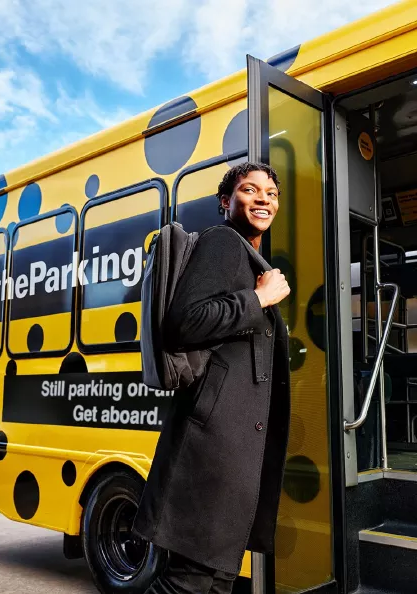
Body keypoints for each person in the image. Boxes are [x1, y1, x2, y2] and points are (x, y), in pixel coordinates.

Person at [133, 162, 292, 594]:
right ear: (226, 202)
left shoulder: (248, 255)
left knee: (215, 580)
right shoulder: (223, 242)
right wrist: (259, 298)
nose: (264, 198)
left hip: (231, 446)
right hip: (213, 449)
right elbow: (183, 323)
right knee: (191, 583)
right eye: (250, 189)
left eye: (271, 192)